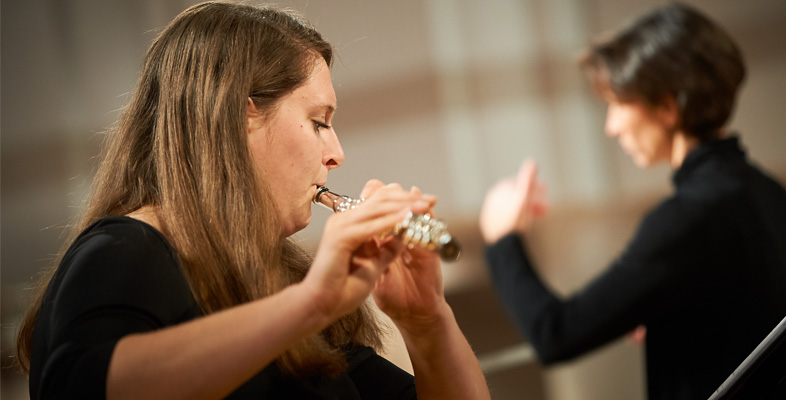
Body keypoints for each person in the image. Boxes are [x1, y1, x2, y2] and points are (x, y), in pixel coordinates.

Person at [15, 2, 491, 399]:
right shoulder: (123, 252)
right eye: (319, 122)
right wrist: (313, 303)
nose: (336, 154)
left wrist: (427, 321)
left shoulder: (277, 281)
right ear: (240, 117)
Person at [479, 2, 786, 400]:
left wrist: (503, 238)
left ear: (668, 106)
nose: (611, 127)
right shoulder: (770, 192)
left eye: (617, 104)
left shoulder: (688, 219)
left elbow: (555, 334)